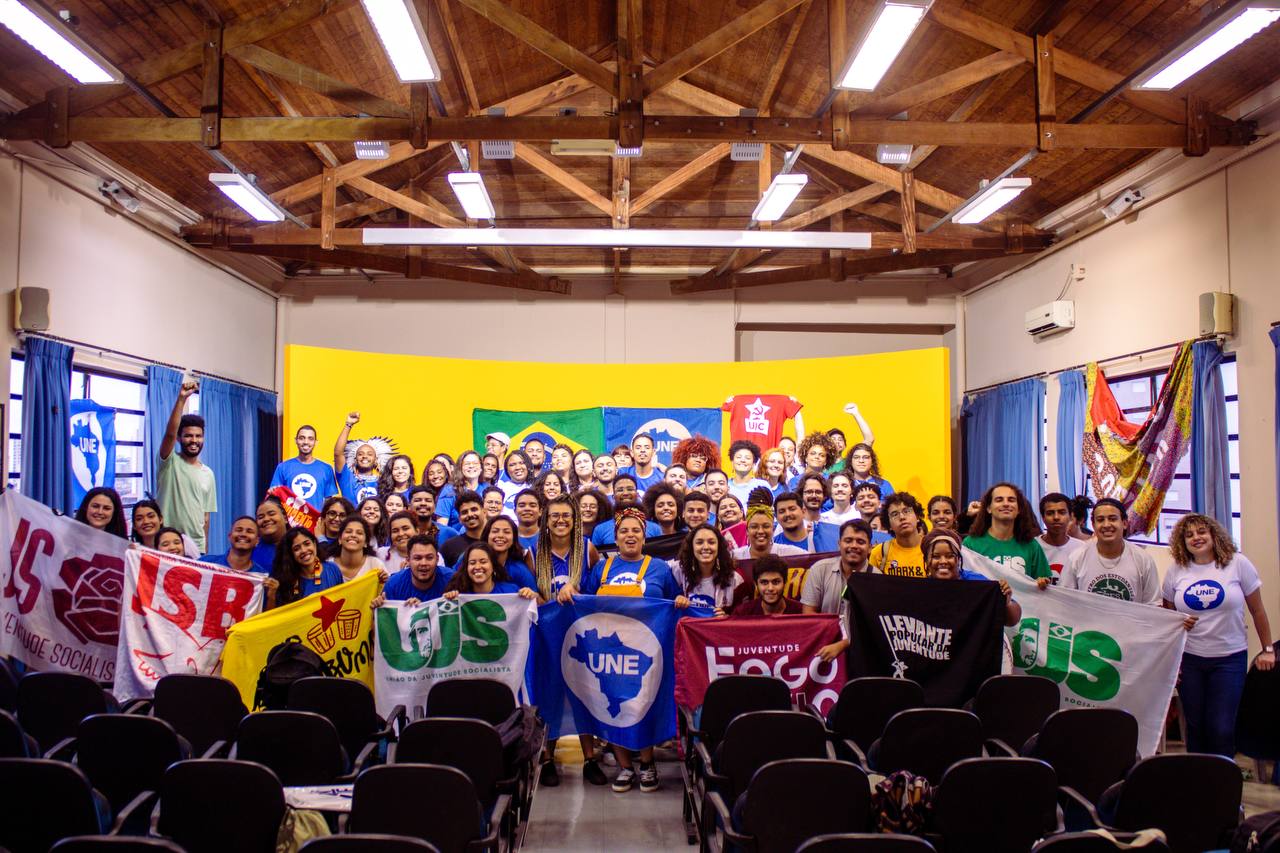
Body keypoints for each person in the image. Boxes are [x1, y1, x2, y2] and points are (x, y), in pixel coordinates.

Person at [561, 507, 687, 792]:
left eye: (636, 531)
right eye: (624, 531)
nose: (630, 535)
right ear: (616, 538)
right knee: (612, 706)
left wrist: (680, 600)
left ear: (644, 537)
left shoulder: (659, 568)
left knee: (642, 703)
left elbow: (673, 600)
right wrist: (569, 589)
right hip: (608, 651)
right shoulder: (602, 568)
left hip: (646, 650)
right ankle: (625, 767)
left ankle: (647, 763)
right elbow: (584, 600)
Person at [1162, 513, 1274, 757]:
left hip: (1229, 658)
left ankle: (1224, 777)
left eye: (1201, 532)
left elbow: (1258, 611)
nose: (1196, 538)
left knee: (1221, 728)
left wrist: (1268, 650)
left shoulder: (1237, 563)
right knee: (1196, 726)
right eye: (1189, 535)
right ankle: (1199, 776)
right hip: (1190, 659)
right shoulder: (1176, 570)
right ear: (1182, 541)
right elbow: (1168, 615)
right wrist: (1179, 623)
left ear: (1214, 534)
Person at [1042, 499, 1158, 602]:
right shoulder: (1077, 557)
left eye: (1112, 519)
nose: (1106, 525)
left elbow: (1152, 606)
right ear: (1093, 525)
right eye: (1100, 520)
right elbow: (1065, 600)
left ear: (1124, 523)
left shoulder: (1143, 560)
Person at [157, 379, 216, 552]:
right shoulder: (169, 462)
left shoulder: (208, 473)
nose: (194, 440)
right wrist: (182, 399)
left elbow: (206, 517)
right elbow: (169, 434)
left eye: (198, 436)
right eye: (188, 436)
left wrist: (205, 550)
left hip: (196, 546)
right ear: (179, 438)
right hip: (168, 543)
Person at [924, 527, 1020, 626]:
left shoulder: (976, 583)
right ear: (926, 560)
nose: (943, 561)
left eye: (950, 556)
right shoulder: (921, 589)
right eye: (936, 556)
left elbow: (1011, 621)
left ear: (959, 559)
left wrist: (1006, 603)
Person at [963, 483, 1052, 581]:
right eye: (999, 500)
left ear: (1019, 509)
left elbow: (1044, 581)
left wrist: (1042, 582)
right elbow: (963, 581)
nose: (1006, 504)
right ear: (988, 508)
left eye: (1011, 500)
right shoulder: (971, 544)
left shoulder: (1031, 545)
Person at [803, 519, 875, 615]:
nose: (854, 546)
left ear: (870, 548)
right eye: (848, 541)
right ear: (839, 544)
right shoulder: (819, 570)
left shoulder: (878, 578)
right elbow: (808, 613)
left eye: (860, 542)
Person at [674, 523, 743, 615]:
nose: (706, 547)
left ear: (719, 546)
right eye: (699, 542)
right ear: (691, 547)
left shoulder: (735, 578)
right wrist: (677, 599)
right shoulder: (678, 571)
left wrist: (727, 618)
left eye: (711, 542)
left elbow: (742, 616)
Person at [270, 424, 338, 512]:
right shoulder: (283, 467)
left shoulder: (326, 469)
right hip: (290, 519)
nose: (306, 442)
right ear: (296, 440)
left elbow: (328, 502)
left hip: (316, 520)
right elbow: (275, 497)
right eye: (302, 438)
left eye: (310, 439)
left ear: (316, 442)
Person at [373, 535, 453, 607]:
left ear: (437, 559)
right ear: (408, 560)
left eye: (429, 558)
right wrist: (378, 607)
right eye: (417, 558)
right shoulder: (393, 585)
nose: (423, 563)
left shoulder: (451, 579)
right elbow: (387, 617)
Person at [272, 527, 344, 606]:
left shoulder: (332, 569)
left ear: (314, 544)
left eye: (307, 544)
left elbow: (343, 599)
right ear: (291, 555)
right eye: (296, 549)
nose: (304, 550)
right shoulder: (288, 583)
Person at [444, 542, 536, 600]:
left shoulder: (512, 591)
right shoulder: (458, 596)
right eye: (472, 563)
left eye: (483, 562)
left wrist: (530, 596)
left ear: (493, 566)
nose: (477, 567)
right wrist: (448, 600)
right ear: (466, 568)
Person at [589, 476, 661, 547]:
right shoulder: (600, 530)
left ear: (637, 494)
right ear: (613, 496)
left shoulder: (655, 528)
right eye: (620, 490)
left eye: (630, 489)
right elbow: (594, 554)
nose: (625, 493)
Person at [868, 492, 927, 577]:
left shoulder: (931, 548)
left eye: (906, 511)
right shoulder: (879, 553)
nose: (902, 517)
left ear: (917, 517)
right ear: (889, 525)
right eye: (895, 514)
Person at [476, 515, 539, 592]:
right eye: (495, 531)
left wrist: (530, 594)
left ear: (514, 538)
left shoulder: (519, 569)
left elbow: (536, 597)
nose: (500, 536)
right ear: (487, 535)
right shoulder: (471, 558)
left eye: (506, 532)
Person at [1038, 492, 1089, 584]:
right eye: (1050, 513)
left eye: (1062, 512)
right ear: (1043, 517)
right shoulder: (1033, 546)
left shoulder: (1081, 548)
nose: (1056, 517)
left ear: (1070, 516)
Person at [731, 501, 807, 561]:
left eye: (766, 526)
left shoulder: (791, 553)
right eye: (754, 527)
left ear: (773, 529)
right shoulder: (735, 557)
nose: (760, 531)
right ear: (747, 531)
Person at [333, 412, 381, 504]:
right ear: (355, 460)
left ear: (376, 460)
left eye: (370, 454)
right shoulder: (347, 478)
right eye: (360, 454)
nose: (365, 456)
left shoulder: (384, 483)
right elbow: (338, 453)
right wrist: (348, 424)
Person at [731, 555, 802, 616]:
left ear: (785, 582)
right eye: (764, 582)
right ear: (756, 584)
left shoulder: (801, 611)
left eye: (776, 582)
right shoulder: (742, 613)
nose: (770, 588)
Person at [203, 515, 273, 575]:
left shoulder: (261, 576)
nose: (243, 534)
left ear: (257, 541)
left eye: (249, 531)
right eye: (239, 530)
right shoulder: (205, 563)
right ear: (229, 536)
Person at [130, 499, 200, 558]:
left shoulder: (184, 541)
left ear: (160, 519)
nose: (146, 522)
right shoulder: (132, 550)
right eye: (139, 519)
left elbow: (199, 567)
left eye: (151, 516)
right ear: (134, 525)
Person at [774, 491, 839, 553]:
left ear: (803, 511)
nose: (787, 514)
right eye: (782, 511)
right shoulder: (773, 546)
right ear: (776, 517)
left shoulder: (823, 539)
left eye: (792, 509)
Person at [331, 515, 389, 583]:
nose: (353, 535)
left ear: (366, 542)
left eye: (359, 533)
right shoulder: (328, 565)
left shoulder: (375, 565)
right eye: (348, 531)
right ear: (340, 539)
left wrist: (385, 581)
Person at [441, 490, 486, 566]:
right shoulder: (449, 547)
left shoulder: (495, 542)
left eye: (474, 509)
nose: (470, 514)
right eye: (464, 512)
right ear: (459, 518)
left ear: (484, 512)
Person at [727, 440, 770, 505]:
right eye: (739, 457)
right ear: (732, 462)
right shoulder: (725, 485)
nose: (743, 460)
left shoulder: (762, 485)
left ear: (753, 464)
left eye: (747, 458)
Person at [252, 497, 287, 569]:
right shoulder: (249, 550)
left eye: (271, 514)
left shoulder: (300, 546)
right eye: (260, 517)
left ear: (285, 518)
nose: (266, 519)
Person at [513, 489, 544, 554]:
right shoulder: (508, 538)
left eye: (532, 505)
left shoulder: (549, 538)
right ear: (515, 511)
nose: (527, 509)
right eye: (522, 505)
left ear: (540, 511)